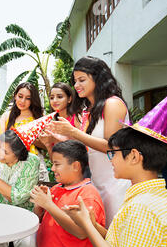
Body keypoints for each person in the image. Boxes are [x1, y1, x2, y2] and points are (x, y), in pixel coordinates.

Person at [39, 127, 167, 247]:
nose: (110, 159)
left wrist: (87, 226)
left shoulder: (143, 207)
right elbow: (120, 242)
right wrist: (92, 224)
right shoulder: (153, 195)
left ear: (134, 156)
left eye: (113, 153)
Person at [49, 56, 131, 226]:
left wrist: (74, 132)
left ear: (98, 78)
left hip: (117, 185)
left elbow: (112, 146)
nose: (76, 85)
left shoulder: (113, 104)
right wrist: (65, 137)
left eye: (82, 80)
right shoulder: (90, 111)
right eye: (75, 81)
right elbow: (89, 146)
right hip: (98, 184)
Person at [30, 140, 105, 247]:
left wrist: (48, 205)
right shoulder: (56, 188)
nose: (53, 169)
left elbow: (81, 233)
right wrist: (39, 206)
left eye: (57, 164)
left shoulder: (87, 194)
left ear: (75, 166)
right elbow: (42, 218)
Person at [0, 82, 49, 182]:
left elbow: (47, 145)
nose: (22, 101)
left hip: (35, 163)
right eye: (20, 96)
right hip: (12, 164)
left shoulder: (40, 118)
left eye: (28, 98)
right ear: (15, 96)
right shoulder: (6, 116)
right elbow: (0, 143)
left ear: (33, 100)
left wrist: (29, 138)